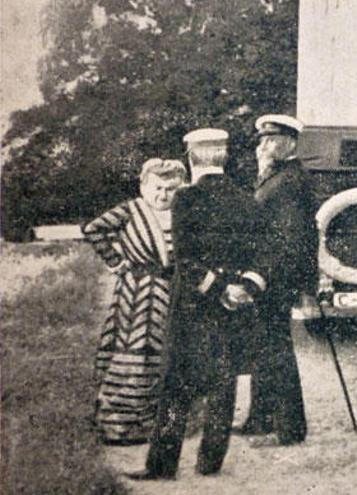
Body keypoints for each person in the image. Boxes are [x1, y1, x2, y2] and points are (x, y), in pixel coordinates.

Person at [127, 128, 267, 479]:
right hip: (233, 307)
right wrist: (242, 287)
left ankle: (162, 466)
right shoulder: (247, 199)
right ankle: (210, 464)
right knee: (223, 384)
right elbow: (264, 256)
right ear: (225, 157)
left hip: (193, 308)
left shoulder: (185, 199)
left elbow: (186, 262)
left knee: (176, 388)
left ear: (191, 158)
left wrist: (217, 287)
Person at [82, 158, 187, 445]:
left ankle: (157, 419)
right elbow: (93, 230)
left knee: (167, 352)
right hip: (138, 292)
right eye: (157, 188)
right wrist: (116, 262)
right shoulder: (129, 210)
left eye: (170, 189)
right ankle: (121, 424)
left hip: (173, 292)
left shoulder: (183, 211)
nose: (163, 195)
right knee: (134, 350)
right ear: (143, 187)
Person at [233, 114, 320, 445]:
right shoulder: (277, 175)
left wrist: (264, 277)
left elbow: (288, 238)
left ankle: (290, 427)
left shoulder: (289, 181)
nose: (262, 146)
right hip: (271, 275)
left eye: (270, 141)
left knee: (276, 349)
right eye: (262, 141)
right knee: (265, 347)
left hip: (276, 277)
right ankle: (260, 419)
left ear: (290, 144)